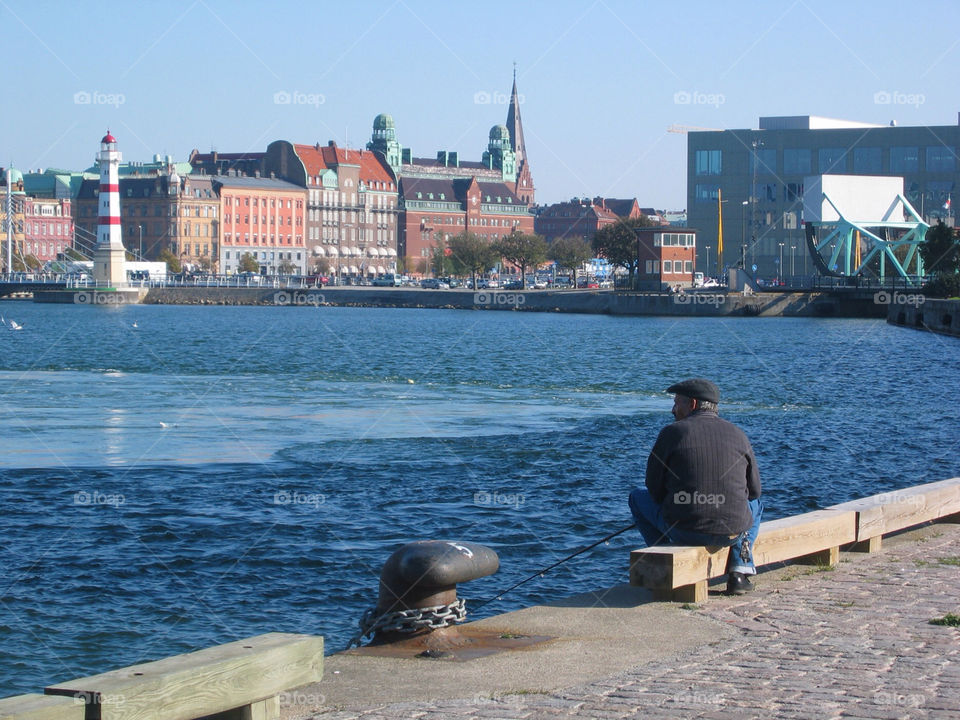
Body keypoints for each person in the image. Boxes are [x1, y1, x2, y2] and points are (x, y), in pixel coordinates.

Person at [629, 378, 763, 595]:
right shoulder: (738, 434)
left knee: (637, 497)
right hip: (732, 533)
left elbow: (653, 489)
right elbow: (755, 490)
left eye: (676, 403)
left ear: (692, 404)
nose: (673, 410)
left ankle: (666, 561)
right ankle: (740, 570)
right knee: (756, 504)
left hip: (684, 531)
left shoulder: (672, 433)